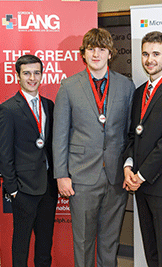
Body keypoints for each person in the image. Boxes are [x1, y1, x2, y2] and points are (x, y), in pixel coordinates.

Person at [53, 28, 135, 267]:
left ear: (110, 53)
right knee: (83, 240)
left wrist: (129, 167)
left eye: (101, 49)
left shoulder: (126, 86)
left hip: (115, 176)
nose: (96, 54)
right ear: (84, 54)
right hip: (81, 177)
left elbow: (130, 134)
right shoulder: (68, 86)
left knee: (110, 242)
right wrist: (61, 174)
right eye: (91, 49)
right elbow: (59, 134)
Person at [123, 31, 162, 267]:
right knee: (150, 247)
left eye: (156, 54)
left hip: (160, 184)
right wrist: (128, 166)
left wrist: (140, 176)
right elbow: (133, 134)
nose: (150, 59)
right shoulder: (139, 92)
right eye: (146, 54)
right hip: (139, 185)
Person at [0, 55, 58, 266]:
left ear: (42, 74)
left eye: (37, 73)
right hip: (23, 190)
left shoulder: (48, 105)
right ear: (18, 76)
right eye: (27, 73)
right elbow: (3, 153)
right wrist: (12, 189)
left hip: (48, 187)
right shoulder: (7, 109)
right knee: (21, 244)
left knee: (45, 243)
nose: (32, 78)